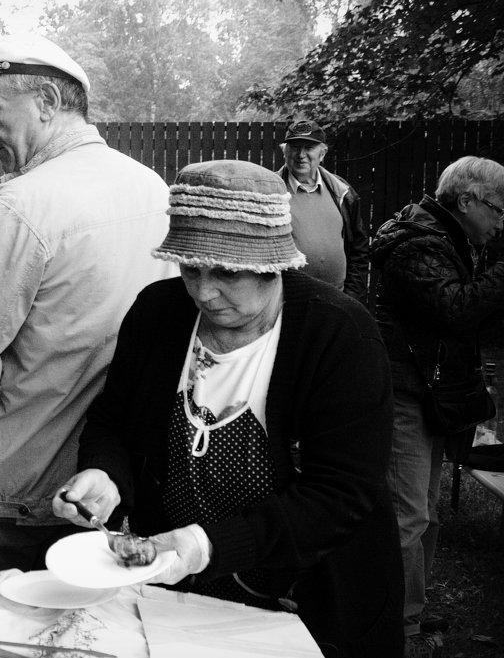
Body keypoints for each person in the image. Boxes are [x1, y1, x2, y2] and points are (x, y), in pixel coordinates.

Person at [55, 160, 403, 657]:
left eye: (227, 272)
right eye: (190, 268)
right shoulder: (158, 313)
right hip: (176, 597)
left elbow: (341, 493)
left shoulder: (339, 335)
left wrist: (203, 545)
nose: (203, 292)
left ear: (274, 264)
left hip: (303, 602)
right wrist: (105, 474)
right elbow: (114, 421)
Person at [0, 32, 176, 575]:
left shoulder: (19, 206)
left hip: (5, 492)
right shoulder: (153, 188)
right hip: (97, 487)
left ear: (48, 103)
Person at [370, 156, 504, 658]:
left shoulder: (442, 237)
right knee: (409, 517)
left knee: (424, 514)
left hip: (426, 392)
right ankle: (398, 633)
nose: (501, 221)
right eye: (498, 210)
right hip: (406, 392)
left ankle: (413, 613)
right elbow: (458, 309)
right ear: (465, 200)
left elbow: (469, 320)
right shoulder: (418, 243)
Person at [275, 119, 370, 302]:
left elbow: (359, 247)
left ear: (322, 153)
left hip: (338, 300)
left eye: (308, 148)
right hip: (288, 301)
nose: (301, 155)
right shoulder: (271, 192)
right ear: (284, 152)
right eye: (294, 147)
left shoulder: (342, 191)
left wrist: (352, 297)